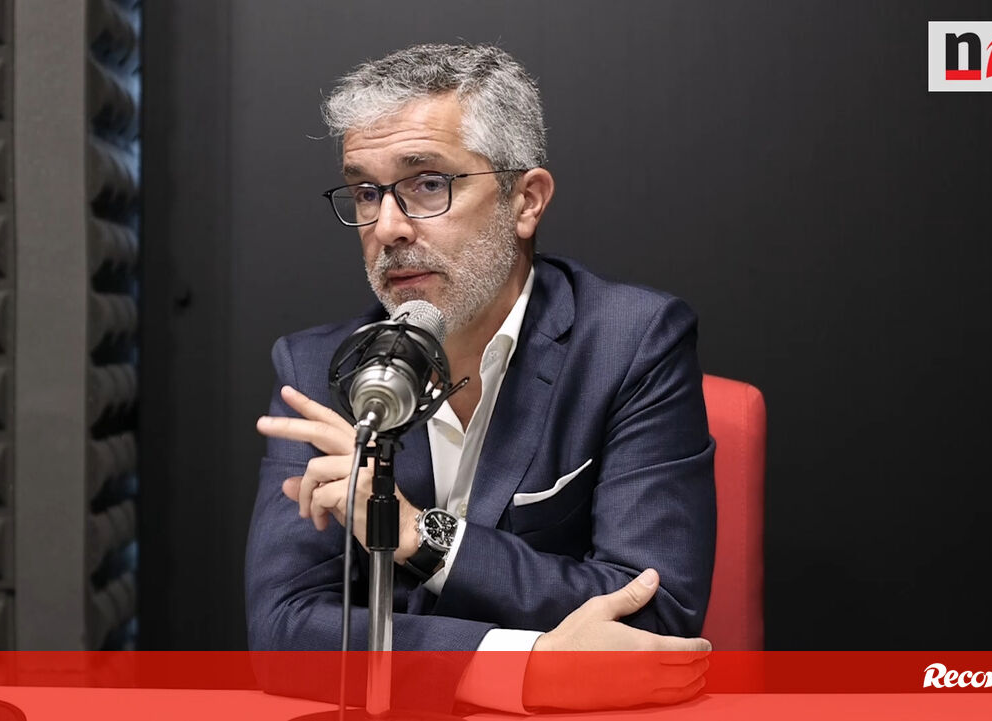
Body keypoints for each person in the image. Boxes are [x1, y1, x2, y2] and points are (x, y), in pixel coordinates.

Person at [244, 43, 715, 711]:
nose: (387, 227)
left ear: (525, 201)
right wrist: (521, 668)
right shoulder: (325, 373)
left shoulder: (630, 342)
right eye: (366, 192)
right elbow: (285, 633)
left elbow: (653, 617)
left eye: (427, 184)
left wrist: (422, 537)